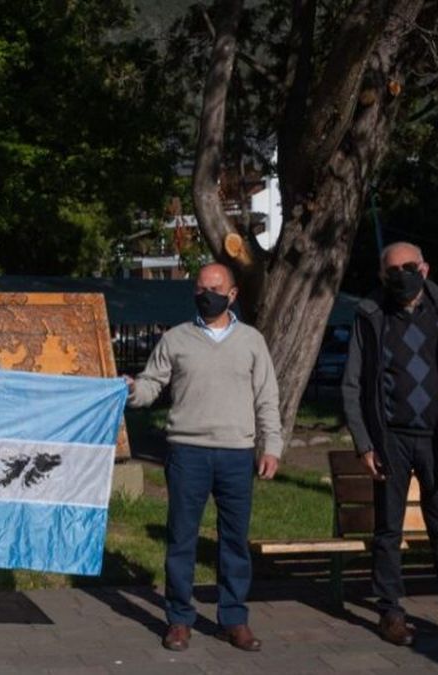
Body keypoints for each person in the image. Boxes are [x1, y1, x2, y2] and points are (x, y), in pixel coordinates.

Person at [341, 241, 438, 649]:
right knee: (387, 531)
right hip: (390, 438)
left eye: (408, 267)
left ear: (424, 269)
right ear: (381, 275)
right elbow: (353, 384)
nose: (401, 275)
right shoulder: (370, 315)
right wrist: (364, 443)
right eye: (392, 270)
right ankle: (391, 613)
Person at [125, 263, 282, 653]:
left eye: (214, 288)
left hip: (237, 454)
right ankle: (179, 619)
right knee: (181, 539)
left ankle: (234, 618)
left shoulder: (251, 341)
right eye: (200, 287)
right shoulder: (176, 339)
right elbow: (151, 385)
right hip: (187, 452)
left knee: (233, 542)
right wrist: (131, 391)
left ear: (231, 295)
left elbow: (267, 398)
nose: (206, 293)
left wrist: (272, 447)